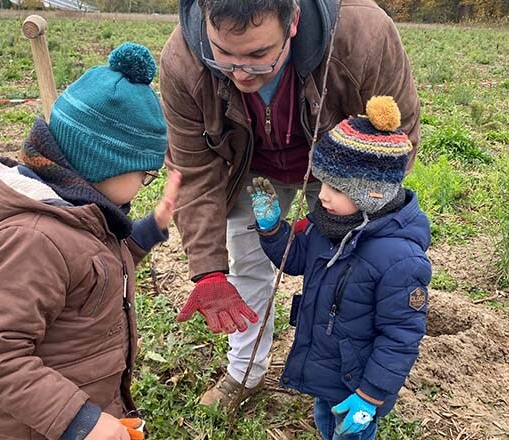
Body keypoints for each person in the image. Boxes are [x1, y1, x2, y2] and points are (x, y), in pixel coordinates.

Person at [159, 0, 421, 407]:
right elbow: (194, 172)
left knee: (347, 274)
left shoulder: (363, 36)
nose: (241, 72)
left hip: (345, 170)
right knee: (246, 263)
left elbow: (397, 137)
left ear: (293, 21)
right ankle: (244, 372)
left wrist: (331, 223)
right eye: (223, 54)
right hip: (250, 167)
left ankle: (353, 381)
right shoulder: (184, 60)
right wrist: (208, 271)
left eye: (259, 56)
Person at [0, 43, 179, 440]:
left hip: (86, 405)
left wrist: (149, 229)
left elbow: (93, 266)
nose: (144, 183)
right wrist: (80, 421)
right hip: (43, 425)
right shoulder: (34, 240)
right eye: (145, 173)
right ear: (106, 162)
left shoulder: (79, 214)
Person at [248, 96, 430, 439]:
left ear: (372, 194)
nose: (323, 196)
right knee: (325, 423)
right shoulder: (328, 225)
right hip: (328, 371)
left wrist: (370, 396)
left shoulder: (401, 261)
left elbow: (401, 337)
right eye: (322, 184)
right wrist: (273, 230)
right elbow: (298, 260)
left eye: (335, 188)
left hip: (358, 384)